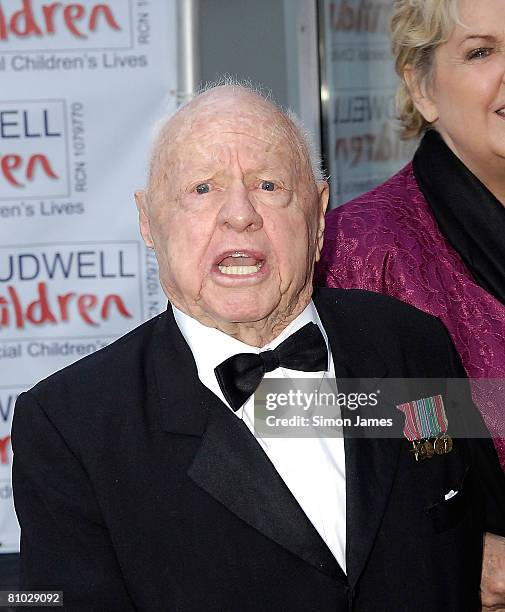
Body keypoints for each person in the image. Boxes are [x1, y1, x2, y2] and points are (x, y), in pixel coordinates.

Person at [12, 84, 505, 611]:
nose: (240, 214)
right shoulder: (71, 425)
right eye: (202, 189)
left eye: (269, 185)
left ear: (318, 217)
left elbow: (476, 530)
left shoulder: (412, 342)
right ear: (148, 220)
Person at [315, 0, 505, 608]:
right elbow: (290, 417)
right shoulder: (355, 248)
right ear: (421, 86)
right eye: (481, 51)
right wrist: (453, 535)